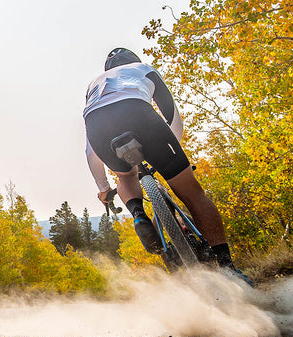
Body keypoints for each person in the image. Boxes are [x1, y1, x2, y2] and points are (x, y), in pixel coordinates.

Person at [83, 47, 249, 279]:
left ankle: (138, 213)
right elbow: (171, 116)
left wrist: (102, 188)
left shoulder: (93, 85)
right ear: (134, 61)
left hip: (97, 126)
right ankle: (227, 268)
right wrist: (176, 158)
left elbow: (91, 151)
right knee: (193, 194)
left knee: (126, 176)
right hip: (137, 112)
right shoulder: (144, 69)